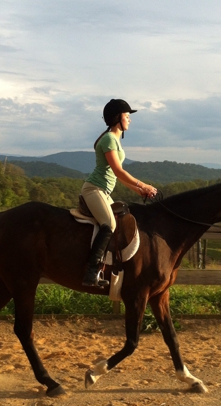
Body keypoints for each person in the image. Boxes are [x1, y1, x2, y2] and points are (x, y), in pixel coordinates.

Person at [81, 99, 157, 287]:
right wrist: (144, 184)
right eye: (127, 116)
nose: (130, 120)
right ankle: (91, 272)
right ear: (118, 117)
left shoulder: (113, 139)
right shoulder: (108, 139)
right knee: (109, 225)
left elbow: (119, 178)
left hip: (104, 191)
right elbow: (118, 171)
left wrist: (140, 191)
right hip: (94, 189)